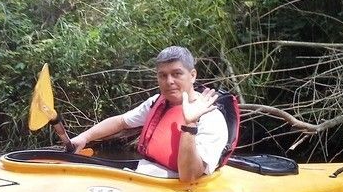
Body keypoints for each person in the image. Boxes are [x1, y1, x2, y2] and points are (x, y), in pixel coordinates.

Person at [69, 46, 229, 183]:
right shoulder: (158, 101)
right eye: (163, 75)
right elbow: (121, 122)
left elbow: (189, 176)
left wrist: (190, 123)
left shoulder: (211, 117)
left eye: (177, 74)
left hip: (178, 186)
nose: (169, 81)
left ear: (192, 75)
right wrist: (84, 137)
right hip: (147, 175)